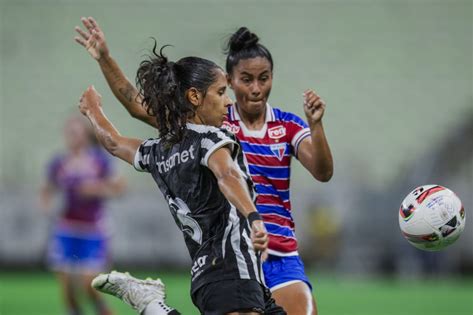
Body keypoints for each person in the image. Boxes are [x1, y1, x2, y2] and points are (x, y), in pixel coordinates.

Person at [75, 17, 333, 315]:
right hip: (232, 253)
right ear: (231, 81)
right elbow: (138, 105)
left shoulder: (286, 125)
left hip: (274, 252)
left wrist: (316, 126)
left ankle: (151, 306)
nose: (256, 88)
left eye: (264, 78)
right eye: (244, 80)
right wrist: (105, 59)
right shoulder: (215, 127)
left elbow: (323, 172)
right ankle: (151, 307)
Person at [39, 115, 126, 315]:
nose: (72, 137)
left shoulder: (98, 161)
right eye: (69, 132)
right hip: (66, 228)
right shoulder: (59, 162)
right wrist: (45, 204)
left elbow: (120, 188)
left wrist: (97, 189)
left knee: (90, 284)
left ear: (85, 135)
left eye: (76, 132)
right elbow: (47, 188)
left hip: (93, 229)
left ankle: (103, 310)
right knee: (67, 287)